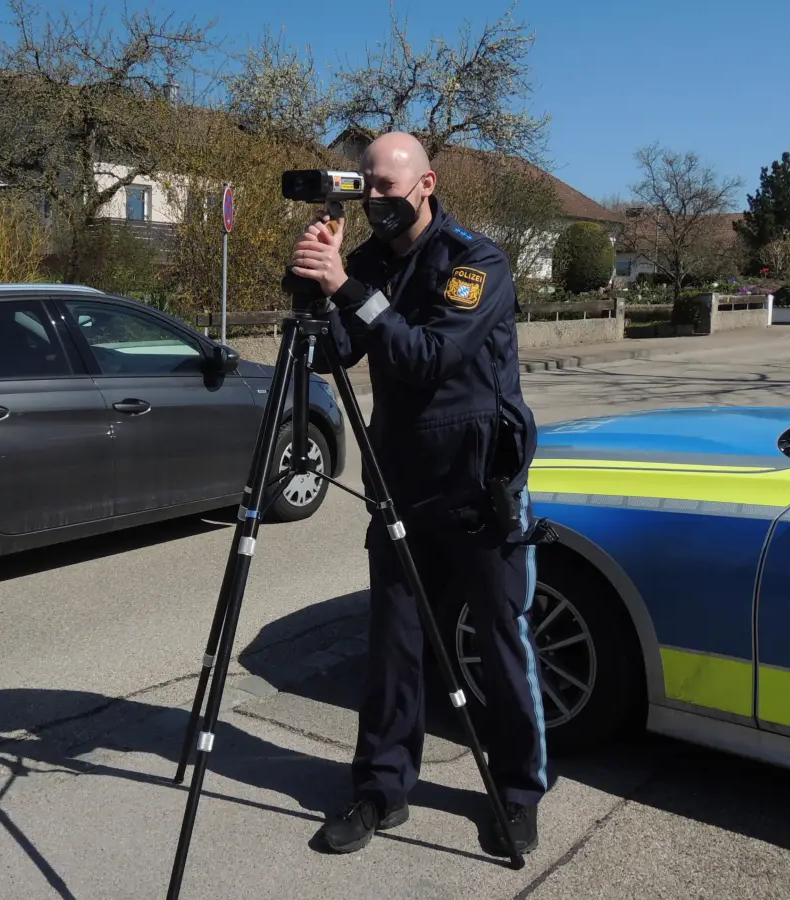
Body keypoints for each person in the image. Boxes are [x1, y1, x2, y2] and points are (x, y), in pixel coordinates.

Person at [288, 131, 550, 858]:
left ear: (425, 184)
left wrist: (347, 289)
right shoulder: (367, 262)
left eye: (386, 187)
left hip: (477, 482)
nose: (373, 201)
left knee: (499, 643)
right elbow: (343, 351)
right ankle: (380, 789)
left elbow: (430, 357)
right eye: (364, 186)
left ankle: (517, 792)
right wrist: (318, 281)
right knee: (394, 646)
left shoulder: (475, 261)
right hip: (399, 481)